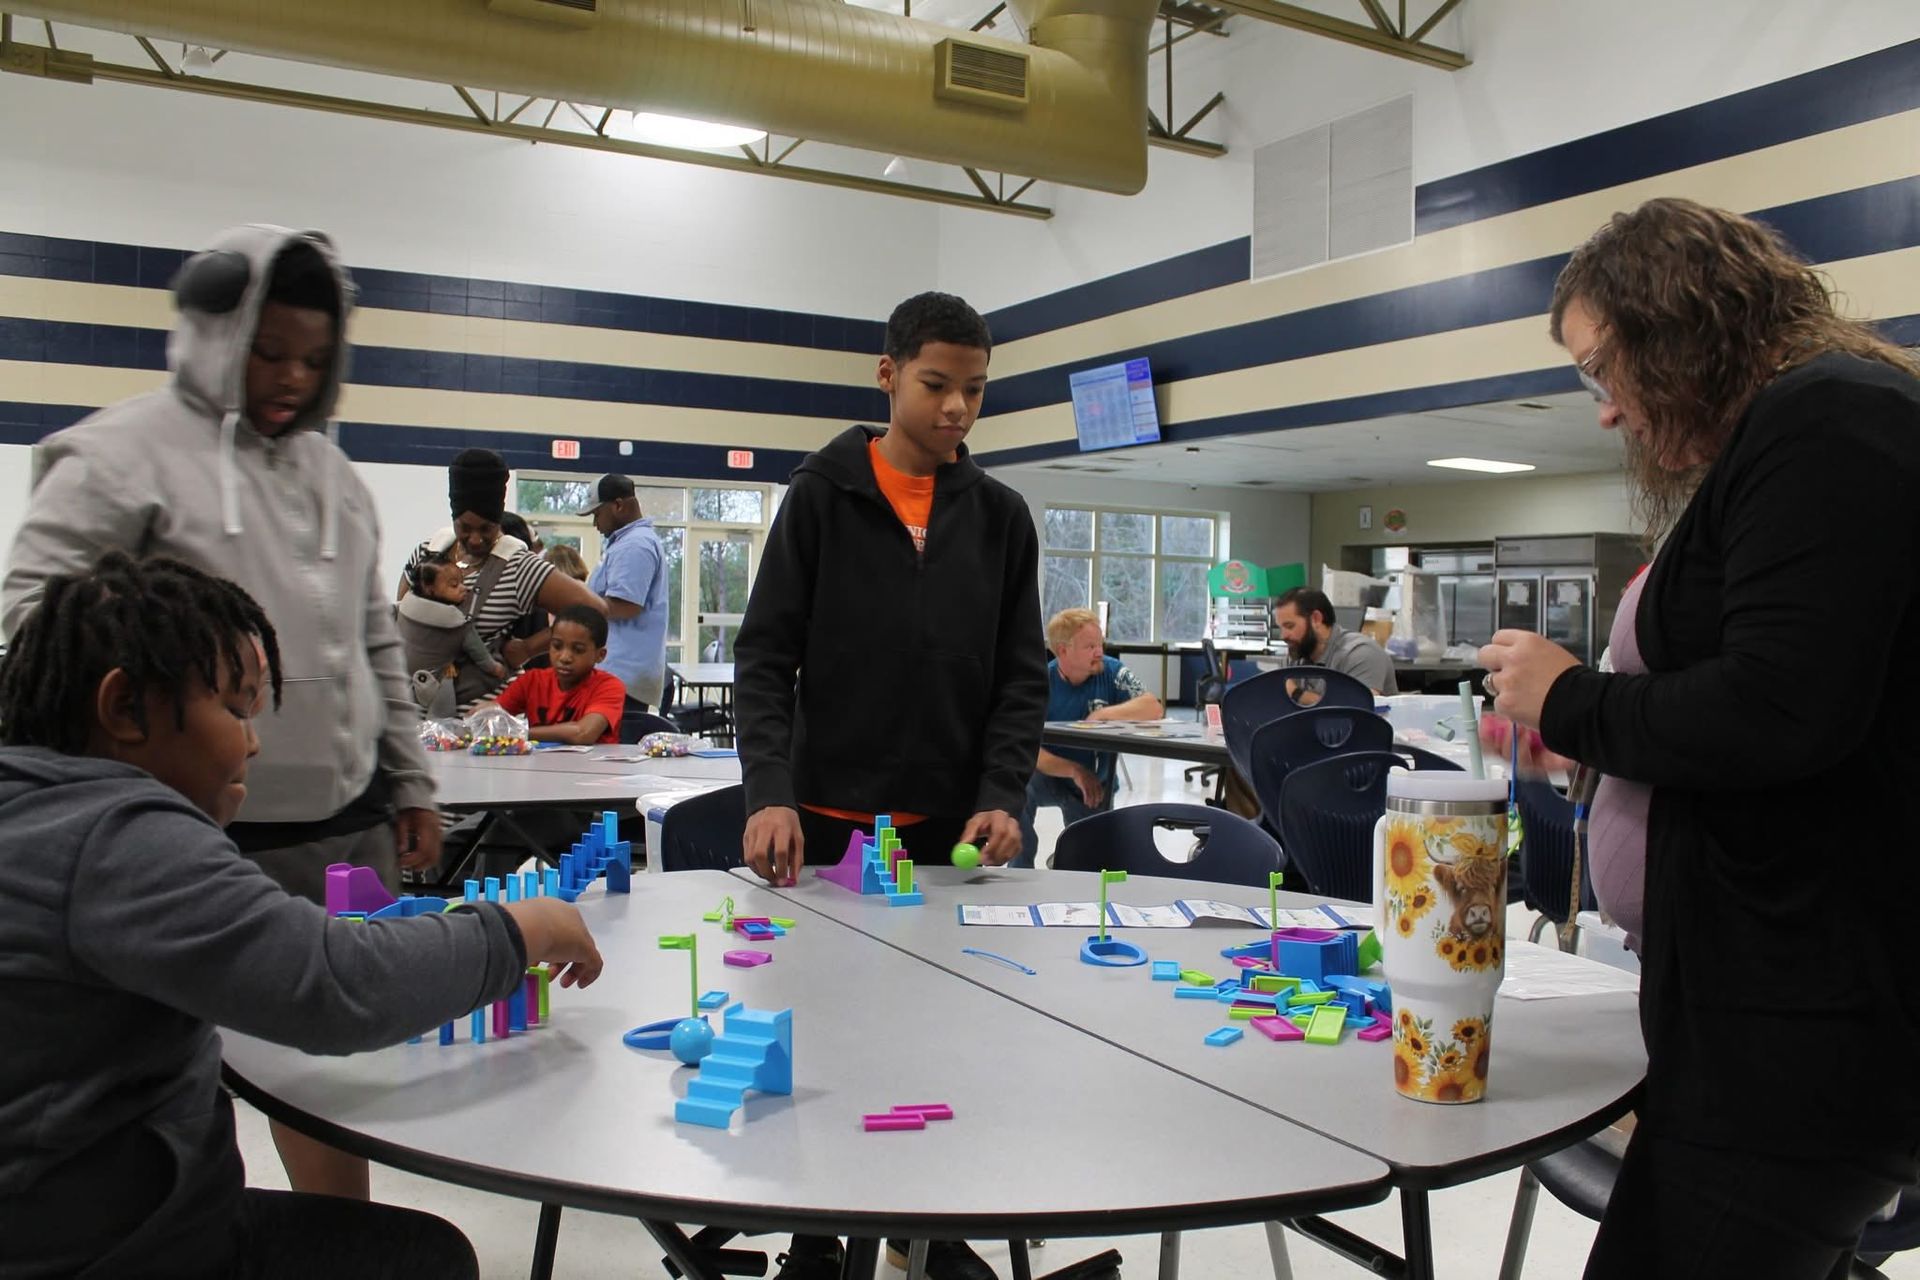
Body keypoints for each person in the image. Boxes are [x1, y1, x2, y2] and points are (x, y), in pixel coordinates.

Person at [1477, 197, 1920, 1279]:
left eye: (1599, 369)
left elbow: (1778, 708)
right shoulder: (1801, 426)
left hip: (1804, 1034)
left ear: (1672, 324)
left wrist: (1574, 696)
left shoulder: (1834, 419)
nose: (1606, 412)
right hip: (1750, 1018)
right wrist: (1598, 745)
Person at [0, 551, 604, 1278]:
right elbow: (338, 985)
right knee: (424, 1259)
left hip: (83, 1221)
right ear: (124, 707)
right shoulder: (115, 835)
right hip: (117, 1253)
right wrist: (522, 927)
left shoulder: (36, 809)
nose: (253, 742)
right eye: (234, 709)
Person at [0, 226, 445, 1199]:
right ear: (214, 334)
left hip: (338, 822)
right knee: (164, 1067)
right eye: (269, 350)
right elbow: (32, 626)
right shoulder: (119, 457)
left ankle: (333, 1236)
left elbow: (377, 640)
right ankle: (175, 1224)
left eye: (315, 361)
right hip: (182, 836)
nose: (291, 377)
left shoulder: (335, 478)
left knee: (331, 1069)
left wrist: (408, 777)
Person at [733, 291, 1045, 1280]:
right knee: (824, 1033)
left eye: (976, 390)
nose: (958, 408)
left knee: (940, 1040)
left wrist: (1005, 790)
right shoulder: (821, 496)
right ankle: (819, 1234)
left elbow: (1019, 674)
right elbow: (765, 655)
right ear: (887, 375)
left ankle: (931, 1225)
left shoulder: (1000, 518)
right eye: (937, 385)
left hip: (948, 829)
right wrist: (769, 790)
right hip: (823, 821)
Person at [400, 449, 606, 710]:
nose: (475, 539)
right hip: (414, 711)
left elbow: (594, 611)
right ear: (453, 519)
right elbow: (403, 615)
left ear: (499, 520)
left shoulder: (518, 566)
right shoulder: (427, 554)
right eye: (465, 527)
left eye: (486, 528)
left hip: (479, 720)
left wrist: (529, 648)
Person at [1017, 608, 1163, 867]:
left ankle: (1071, 863)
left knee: (1087, 863)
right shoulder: (1041, 682)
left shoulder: (1112, 671)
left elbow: (1153, 707)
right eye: (1090, 646)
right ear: (1063, 651)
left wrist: (1104, 714)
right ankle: (1019, 870)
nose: (1099, 652)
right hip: (1052, 776)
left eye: (1100, 644)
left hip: (1096, 784)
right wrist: (1074, 771)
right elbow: (1028, 748)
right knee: (1018, 785)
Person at [579, 473, 670, 715]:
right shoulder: (626, 542)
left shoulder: (635, 545)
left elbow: (625, 606)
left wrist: (575, 601)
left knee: (614, 750)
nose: (595, 523)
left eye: (597, 514)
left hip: (622, 676)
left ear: (618, 505)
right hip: (620, 674)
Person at [489, 604, 627, 746]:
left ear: (600, 655)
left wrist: (519, 731)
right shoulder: (532, 680)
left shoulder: (609, 686)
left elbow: (583, 733)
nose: (565, 657)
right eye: (557, 646)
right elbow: (490, 713)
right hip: (538, 766)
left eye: (578, 650)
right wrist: (479, 718)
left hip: (591, 766)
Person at [397, 554, 507, 718]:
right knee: (441, 720)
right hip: (434, 686)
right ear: (429, 588)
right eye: (454, 585)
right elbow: (479, 653)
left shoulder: (405, 606)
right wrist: (496, 668)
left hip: (400, 679)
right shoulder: (457, 623)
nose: (464, 588)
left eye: (462, 582)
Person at [1272, 587, 1397, 695]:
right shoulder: (1296, 655)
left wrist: (1297, 694)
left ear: (1316, 619)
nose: (1283, 636)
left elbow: (1355, 710)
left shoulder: (1361, 653)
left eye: (1289, 626)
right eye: (1280, 627)